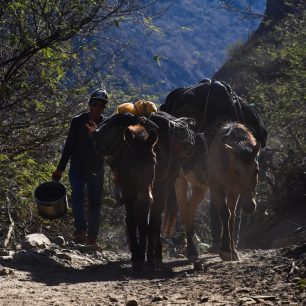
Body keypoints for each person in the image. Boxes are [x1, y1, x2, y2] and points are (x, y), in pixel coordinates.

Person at [52, 88, 109, 245]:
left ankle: (92, 237)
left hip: (96, 169)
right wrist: (60, 168)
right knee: (76, 197)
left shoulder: (106, 125)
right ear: (90, 104)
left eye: (102, 105)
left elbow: (106, 150)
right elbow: (69, 146)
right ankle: (80, 230)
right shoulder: (77, 121)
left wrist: (95, 136)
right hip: (77, 167)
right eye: (96, 104)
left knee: (95, 203)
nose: (98, 108)